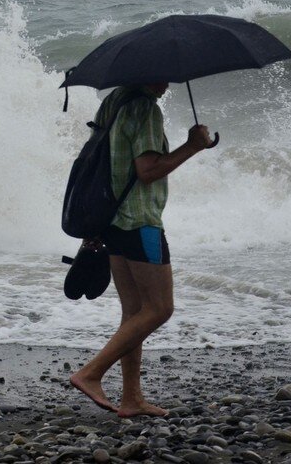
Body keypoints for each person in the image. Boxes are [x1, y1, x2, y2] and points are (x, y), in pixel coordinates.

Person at [69, 82, 213, 417]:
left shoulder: (115, 101)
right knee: (160, 308)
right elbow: (147, 171)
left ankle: (131, 399)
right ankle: (90, 374)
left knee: (134, 312)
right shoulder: (146, 108)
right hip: (139, 220)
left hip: (112, 218)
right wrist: (192, 146)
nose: (167, 83)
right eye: (162, 75)